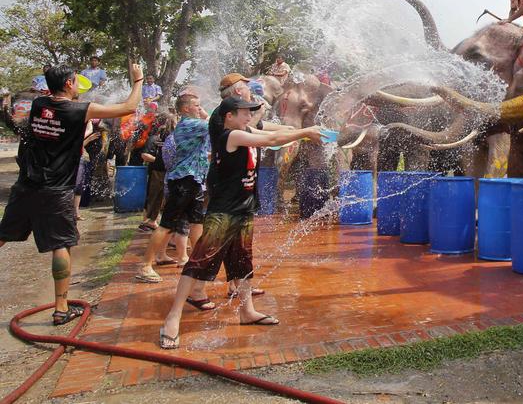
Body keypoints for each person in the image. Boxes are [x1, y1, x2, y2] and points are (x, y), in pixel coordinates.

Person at [159, 96, 324, 348]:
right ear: (229, 116)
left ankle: (247, 311)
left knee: (242, 261)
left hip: (244, 209)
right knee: (199, 261)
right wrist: (304, 132)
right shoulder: (231, 136)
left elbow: (277, 133)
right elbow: (271, 140)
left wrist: (305, 132)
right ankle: (173, 317)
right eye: (245, 112)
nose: (249, 116)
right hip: (224, 212)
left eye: (251, 112)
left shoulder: (245, 131)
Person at [0, 63, 143, 325]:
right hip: (56, 190)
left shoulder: (39, 104)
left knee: (3, 234)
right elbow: (129, 107)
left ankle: (62, 307)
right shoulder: (79, 110)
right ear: (68, 84)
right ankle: (61, 309)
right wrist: (138, 81)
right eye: (76, 81)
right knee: (60, 245)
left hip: (27, 185)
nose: (79, 86)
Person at [135, 94, 210, 287]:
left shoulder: (192, 126)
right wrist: (206, 115)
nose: (200, 108)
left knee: (197, 222)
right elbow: (216, 125)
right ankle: (145, 266)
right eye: (197, 105)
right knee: (167, 224)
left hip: (194, 180)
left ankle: (197, 261)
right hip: (183, 181)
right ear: (185, 109)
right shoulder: (190, 125)